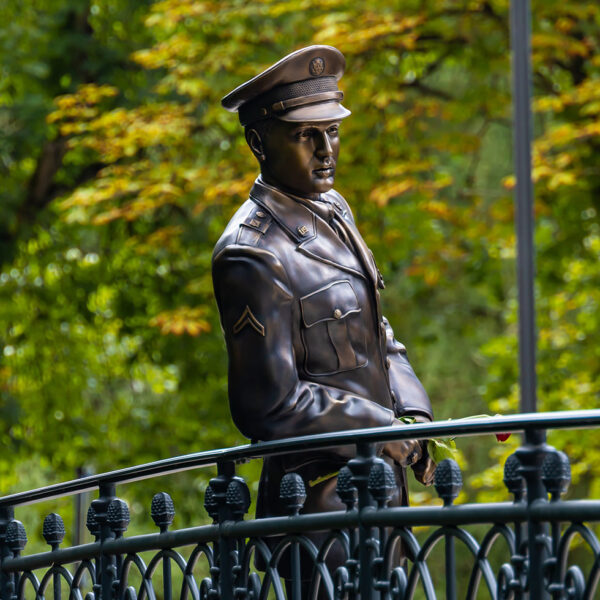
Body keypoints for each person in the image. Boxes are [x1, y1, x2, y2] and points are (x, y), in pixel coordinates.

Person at [212, 45, 435, 585]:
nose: (326, 148)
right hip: (315, 518)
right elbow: (269, 404)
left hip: (380, 498)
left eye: (331, 131)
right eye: (305, 135)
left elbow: (378, 334)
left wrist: (417, 419)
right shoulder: (251, 253)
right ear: (258, 143)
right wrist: (381, 429)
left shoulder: (335, 210)